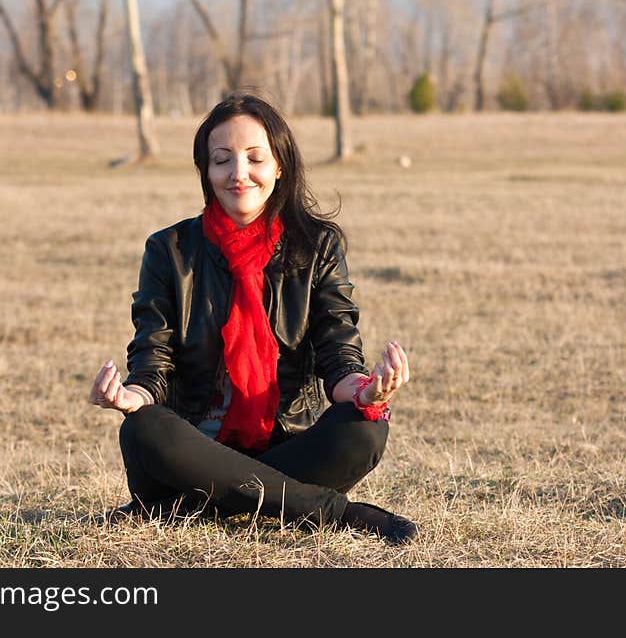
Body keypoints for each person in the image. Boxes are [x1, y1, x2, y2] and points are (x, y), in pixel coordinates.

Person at [88, 93, 417, 544]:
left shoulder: (316, 246)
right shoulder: (168, 251)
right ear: (205, 170)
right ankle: (330, 512)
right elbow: (154, 363)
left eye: (254, 158)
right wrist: (131, 396)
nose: (238, 173)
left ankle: (193, 506)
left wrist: (367, 390)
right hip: (193, 448)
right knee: (145, 427)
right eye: (221, 160)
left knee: (366, 428)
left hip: (284, 446)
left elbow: (338, 355)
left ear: (279, 165)